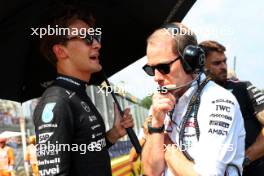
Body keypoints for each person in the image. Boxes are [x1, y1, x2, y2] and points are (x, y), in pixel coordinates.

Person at [33, 6, 134, 176]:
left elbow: (85, 153)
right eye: (87, 38)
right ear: (61, 51)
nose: (97, 44)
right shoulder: (57, 101)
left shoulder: (77, 93)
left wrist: (113, 134)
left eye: (96, 36)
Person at [141, 22, 245, 176]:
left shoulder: (218, 101)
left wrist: (167, 144)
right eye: (150, 69)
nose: (156, 77)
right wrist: (156, 124)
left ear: (190, 61)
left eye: (163, 68)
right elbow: (151, 171)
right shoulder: (159, 103)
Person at [200, 40, 264, 176]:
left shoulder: (243, 87)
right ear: (201, 66)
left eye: (224, 61)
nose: (223, 66)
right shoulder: (193, 97)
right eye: (217, 63)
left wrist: (245, 159)